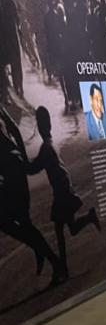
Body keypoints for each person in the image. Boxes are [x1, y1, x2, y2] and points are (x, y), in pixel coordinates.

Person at [28, 107, 101, 279]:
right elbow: (37, 165)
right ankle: (90, 217)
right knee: (71, 228)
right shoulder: (49, 143)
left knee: (60, 230)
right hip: (63, 188)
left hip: (62, 191)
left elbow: (33, 168)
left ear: (39, 126)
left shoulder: (46, 147)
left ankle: (63, 270)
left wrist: (19, 162)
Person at [0, 107, 66, 284]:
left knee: (8, 222)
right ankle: (46, 254)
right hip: (12, 169)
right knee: (21, 222)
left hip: (11, 171)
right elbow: (13, 128)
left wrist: (21, 160)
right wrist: (21, 156)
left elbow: (11, 130)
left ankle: (47, 255)